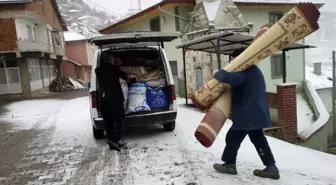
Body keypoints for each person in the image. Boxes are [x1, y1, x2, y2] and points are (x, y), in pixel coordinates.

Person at [212, 48, 280, 180]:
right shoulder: (254, 70)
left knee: (232, 137)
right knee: (258, 139)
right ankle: (271, 167)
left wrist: (217, 73)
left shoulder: (245, 71)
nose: (232, 63)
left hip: (247, 115)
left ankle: (229, 164)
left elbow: (227, 77)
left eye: (233, 60)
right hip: (256, 113)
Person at [95, 52, 128, 152]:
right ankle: (115, 139)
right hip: (115, 99)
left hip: (104, 100)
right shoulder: (114, 69)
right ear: (111, 60)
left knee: (108, 121)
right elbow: (125, 76)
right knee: (119, 118)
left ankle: (113, 142)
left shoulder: (98, 70)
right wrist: (116, 65)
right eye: (113, 59)